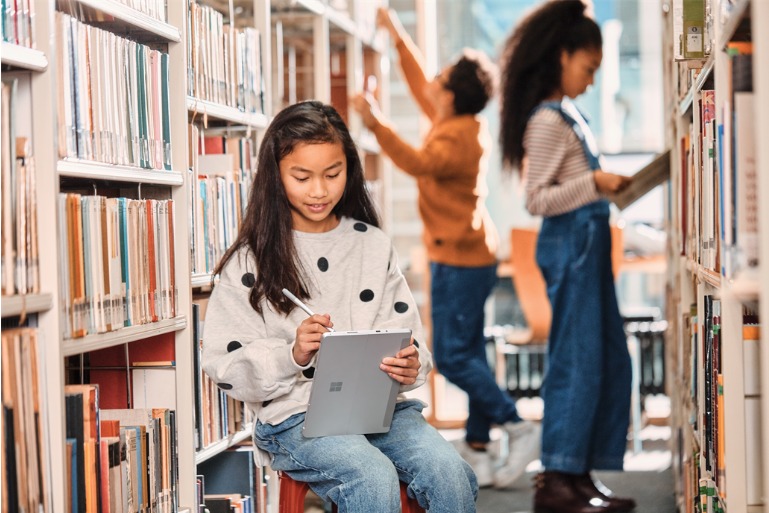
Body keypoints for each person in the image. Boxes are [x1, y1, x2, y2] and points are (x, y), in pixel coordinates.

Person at [201, 100, 477, 513]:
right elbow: (224, 364)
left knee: (448, 472)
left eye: (333, 174)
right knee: (370, 475)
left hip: (383, 411)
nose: (319, 190)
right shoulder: (251, 259)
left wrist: (410, 364)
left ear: (349, 170)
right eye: (301, 176)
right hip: (296, 416)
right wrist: (291, 353)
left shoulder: (371, 243)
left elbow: (411, 340)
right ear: (275, 176)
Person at [351, 7, 540, 490]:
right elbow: (419, 81)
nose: (431, 81)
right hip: (465, 253)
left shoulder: (459, 139)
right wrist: (395, 33)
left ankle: (516, 425)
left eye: (441, 78)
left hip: (460, 257)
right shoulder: (453, 118)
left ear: (451, 95)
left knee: (454, 358)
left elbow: (416, 162)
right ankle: (479, 442)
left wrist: (374, 120)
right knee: (471, 349)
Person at [498, 1, 636, 512]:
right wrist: (595, 183)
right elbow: (537, 199)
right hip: (572, 245)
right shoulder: (547, 120)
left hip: (587, 245)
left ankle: (577, 474)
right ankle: (557, 478)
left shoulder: (568, 115)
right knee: (578, 362)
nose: (593, 81)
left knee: (602, 359)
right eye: (589, 68)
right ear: (562, 56)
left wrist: (599, 188)